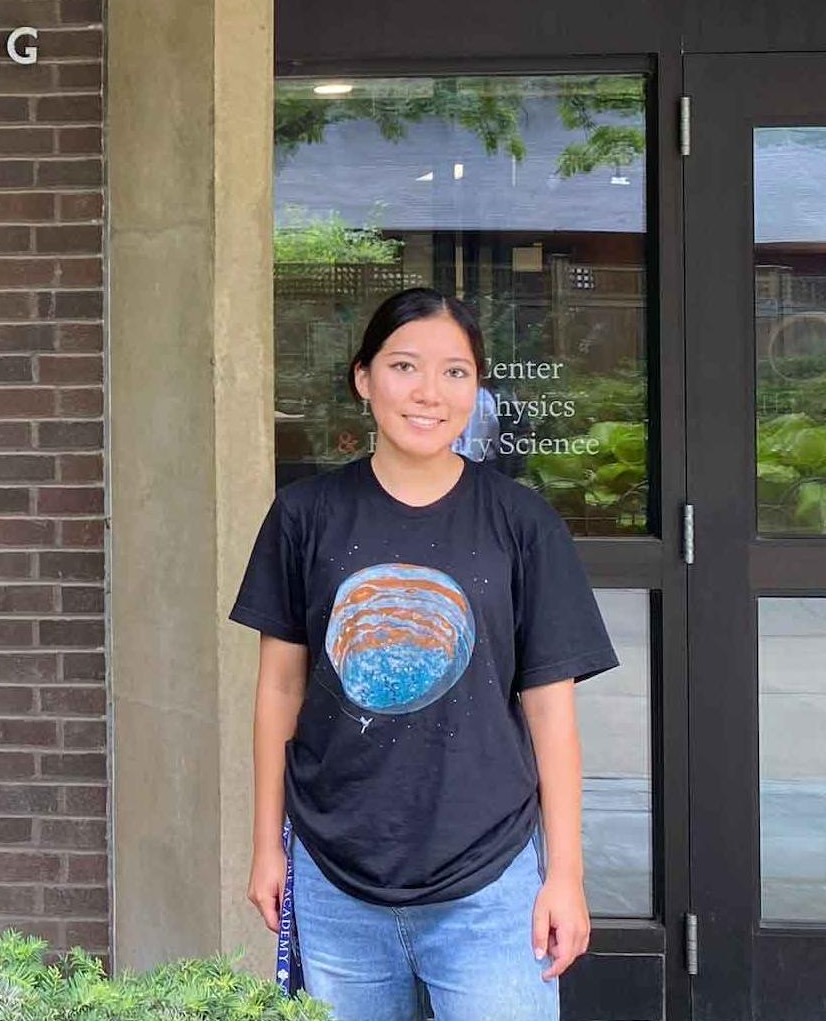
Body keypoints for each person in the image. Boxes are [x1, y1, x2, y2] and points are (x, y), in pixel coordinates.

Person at [231, 287, 619, 1021]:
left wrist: (563, 873)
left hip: (490, 878)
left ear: (476, 389)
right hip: (335, 871)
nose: (428, 393)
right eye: (404, 365)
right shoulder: (303, 515)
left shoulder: (522, 522)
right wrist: (265, 847)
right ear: (363, 378)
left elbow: (551, 715)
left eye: (454, 372)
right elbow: (279, 690)